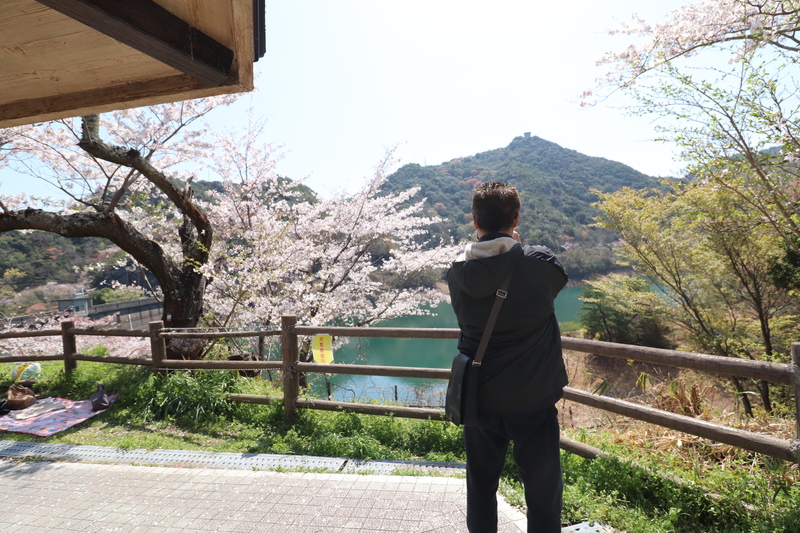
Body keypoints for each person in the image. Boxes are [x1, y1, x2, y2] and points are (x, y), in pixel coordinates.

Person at [447, 181, 568, 533]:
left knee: (480, 487)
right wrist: (515, 245)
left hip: (479, 399)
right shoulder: (538, 265)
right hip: (532, 400)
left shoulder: (457, 273)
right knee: (543, 494)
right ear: (516, 219)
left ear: (474, 221)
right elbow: (558, 277)